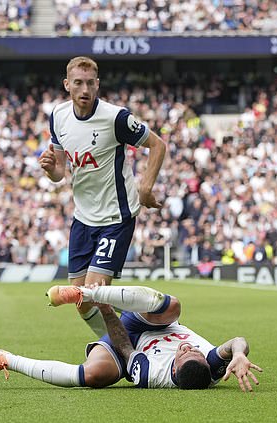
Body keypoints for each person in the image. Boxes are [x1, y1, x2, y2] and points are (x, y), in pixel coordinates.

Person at [38, 56, 166, 337]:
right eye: (78, 83)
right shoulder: (58, 116)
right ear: (67, 85)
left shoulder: (115, 118)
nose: (84, 90)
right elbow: (60, 171)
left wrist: (145, 188)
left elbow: (157, 144)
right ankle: (132, 339)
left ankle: (128, 352)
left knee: (95, 292)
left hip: (116, 215)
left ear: (97, 85)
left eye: (90, 83)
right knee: (81, 301)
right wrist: (50, 169)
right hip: (83, 217)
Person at [0, 284, 262, 392]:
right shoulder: (209, 367)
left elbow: (123, 345)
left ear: (174, 369)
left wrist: (107, 312)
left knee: (95, 375)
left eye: (184, 352)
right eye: (194, 350)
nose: (188, 346)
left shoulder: (151, 374)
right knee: (174, 306)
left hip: (131, 339)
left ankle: (6, 359)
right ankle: (85, 293)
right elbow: (237, 340)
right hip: (154, 320)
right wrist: (238, 354)